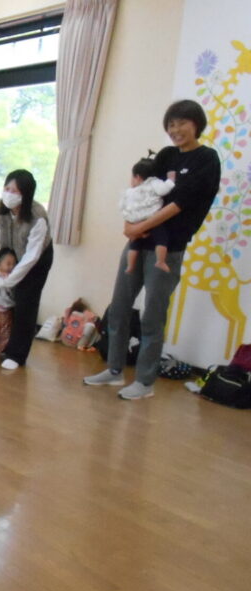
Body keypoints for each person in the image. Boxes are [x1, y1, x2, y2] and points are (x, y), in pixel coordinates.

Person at [85, 99, 221, 400]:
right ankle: (114, 369)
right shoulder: (167, 155)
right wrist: (129, 223)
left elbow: (180, 203)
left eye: (181, 123)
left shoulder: (207, 159)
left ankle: (145, 382)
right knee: (119, 308)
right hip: (138, 241)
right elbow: (139, 188)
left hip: (168, 248)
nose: (175, 130)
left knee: (152, 316)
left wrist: (139, 226)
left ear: (196, 124)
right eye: (171, 124)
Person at [0, 169, 54, 370]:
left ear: (26, 194)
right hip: (10, 255)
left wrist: (6, 281)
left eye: (14, 191)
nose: (8, 194)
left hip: (36, 260)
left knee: (25, 303)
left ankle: (17, 354)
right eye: (6, 188)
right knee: (1, 303)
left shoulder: (37, 217)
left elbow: (31, 257)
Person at [120, 157, 175, 275]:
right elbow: (164, 190)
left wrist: (131, 221)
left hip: (135, 221)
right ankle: (160, 261)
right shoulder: (155, 183)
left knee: (134, 244)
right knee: (162, 240)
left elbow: (124, 207)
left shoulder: (130, 191)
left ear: (137, 176)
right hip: (152, 219)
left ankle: (130, 266)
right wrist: (171, 180)